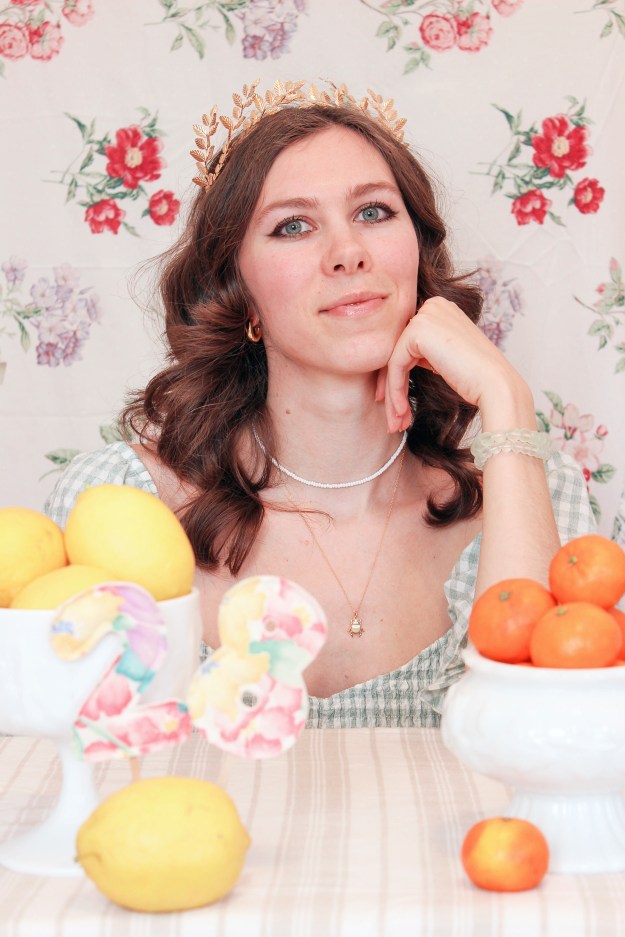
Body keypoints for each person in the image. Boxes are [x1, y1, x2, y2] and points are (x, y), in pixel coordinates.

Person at [45, 79, 595, 728]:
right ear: (239, 293)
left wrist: (507, 401)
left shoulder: (530, 488)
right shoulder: (116, 504)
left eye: (372, 212)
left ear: (417, 252)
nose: (347, 254)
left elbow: (548, 741)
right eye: (293, 225)